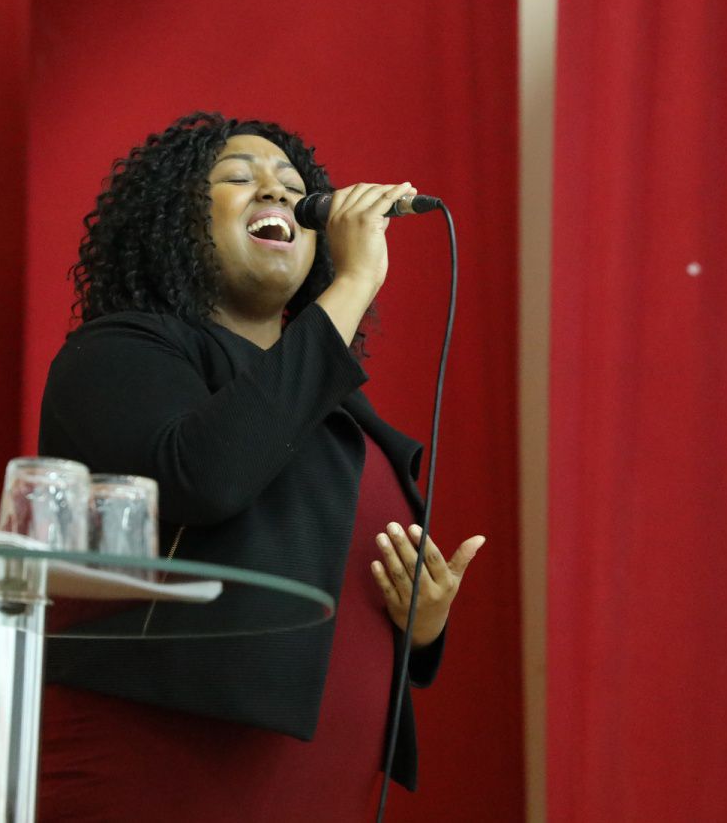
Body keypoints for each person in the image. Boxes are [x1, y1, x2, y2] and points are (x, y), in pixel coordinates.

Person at [36, 111, 484, 821]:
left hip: (325, 789)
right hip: (164, 774)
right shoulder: (116, 353)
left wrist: (420, 625)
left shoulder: (326, 400)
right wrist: (355, 282)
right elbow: (204, 477)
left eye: (294, 189)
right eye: (238, 178)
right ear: (173, 220)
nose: (276, 193)